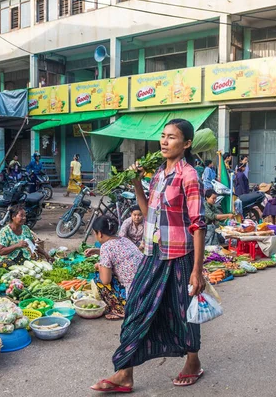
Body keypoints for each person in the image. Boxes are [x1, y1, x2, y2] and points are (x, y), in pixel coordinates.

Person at [91, 118, 207, 392]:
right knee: (135, 308)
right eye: (163, 136)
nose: (165, 141)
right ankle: (124, 373)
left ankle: (193, 363)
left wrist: (197, 269)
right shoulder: (158, 174)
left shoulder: (188, 175)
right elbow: (147, 214)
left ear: (186, 143)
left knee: (183, 313)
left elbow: (198, 224)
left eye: (172, 137)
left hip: (180, 256)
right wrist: (136, 183)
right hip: (153, 254)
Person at [84, 216, 143, 320]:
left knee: (98, 278)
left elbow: (105, 280)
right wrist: (97, 251)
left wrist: (99, 266)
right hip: (145, 289)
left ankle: (120, 309)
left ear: (100, 233)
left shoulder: (106, 247)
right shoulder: (125, 240)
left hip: (133, 296)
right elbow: (118, 253)